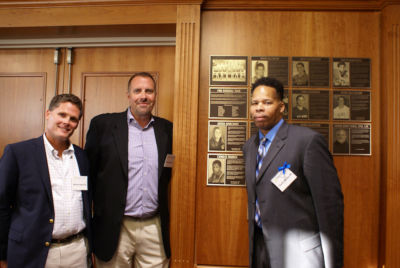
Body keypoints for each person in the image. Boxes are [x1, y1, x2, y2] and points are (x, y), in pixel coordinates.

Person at [243, 77, 343, 268]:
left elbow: (329, 206)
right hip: (261, 249)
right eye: (255, 103)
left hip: (300, 253)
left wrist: (333, 261)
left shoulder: (307, 142)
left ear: (281, 107)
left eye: (267, 102)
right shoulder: (250, 147)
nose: (259, 108)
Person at [85, 72, 173, 268]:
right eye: (138, 91)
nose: (143, 96)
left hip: (154, 228)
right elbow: (88, 174)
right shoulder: (103, 126)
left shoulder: (167, 129)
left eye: (149, 91)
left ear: (155, 95)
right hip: (114, 228)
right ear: (128, 95)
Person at [0, 94, 92, 268]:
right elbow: (2, 205)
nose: (67, 122)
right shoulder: (18, 153)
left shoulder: (82, 157)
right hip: (32, 251)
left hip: (77, 251)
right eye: (62, 115)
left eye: (73, 119)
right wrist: (2, 254)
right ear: (48, 113)